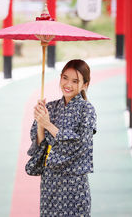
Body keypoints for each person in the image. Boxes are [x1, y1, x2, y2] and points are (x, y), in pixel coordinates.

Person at [27, 59, 97, 216]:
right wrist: (40, 123)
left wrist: (49, 125)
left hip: (73, 184)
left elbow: (80, 144)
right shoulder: (50, 107)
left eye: (75, 81)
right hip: (50, 182)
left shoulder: (87, 110)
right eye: (65, 78)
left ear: (85, 84)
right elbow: (40, 146)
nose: (68, 84)